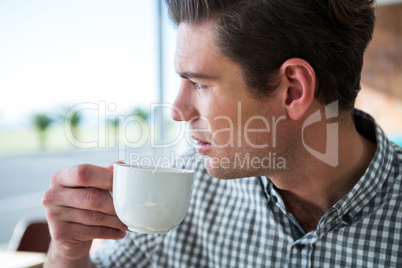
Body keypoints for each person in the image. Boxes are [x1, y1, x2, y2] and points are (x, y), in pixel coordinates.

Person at [42, 0, 402, 267]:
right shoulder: (190, 191)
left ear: (292, 89)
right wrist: (69, 251)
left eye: (198, 83)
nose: (178, 111)